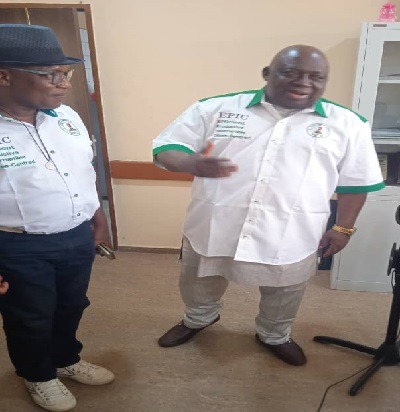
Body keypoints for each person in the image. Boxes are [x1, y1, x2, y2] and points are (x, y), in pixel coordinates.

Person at [152, 45, 385, 366]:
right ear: (266, 74)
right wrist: (190, 162)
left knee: (286, 289)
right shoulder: (216, 108)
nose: (304, 82)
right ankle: (198, 318)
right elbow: (167, 147)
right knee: (199, 278)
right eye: (291, 72)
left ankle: (274, 334)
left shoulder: (347, 123)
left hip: (293, 231)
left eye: (316, 77)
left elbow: (356, 184)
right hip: (215, 222)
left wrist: (343, 228)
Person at [0, 24, 114, 412]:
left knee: (71, 304)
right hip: (16, 244)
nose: (63, 84)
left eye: (66, 73)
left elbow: (82, 169)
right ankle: (38, 374)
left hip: (76, 235)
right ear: (4, 76)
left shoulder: (65, 117)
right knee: (30, 316)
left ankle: (65, 359)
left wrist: (96, 213)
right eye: (51, 74)